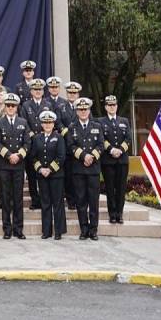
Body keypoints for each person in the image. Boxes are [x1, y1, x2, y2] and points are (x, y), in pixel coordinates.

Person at [0, 93, 31, 239]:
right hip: (4, 165)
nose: (10, 108)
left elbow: (27, 143)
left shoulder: (23, 122)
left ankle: (18, 229)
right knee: (6, 198)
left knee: (18, 198)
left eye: (13, 106)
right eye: (8, 105)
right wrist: (9, 155)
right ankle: (7, 229)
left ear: (16, 107)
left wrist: (18, 156)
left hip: (19, 165)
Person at [65, 97, 104, 240]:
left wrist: (91, 157)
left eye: (85, 109)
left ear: (89, 110)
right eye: (80, 109)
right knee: (81, 201)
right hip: (79, 169)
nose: (83, 111)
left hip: (93, 169)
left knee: (93, 201)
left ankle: (93, 230)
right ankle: (84, 229)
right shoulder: (72, 127)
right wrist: (83, 156)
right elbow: (70, 146)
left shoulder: (97, 126)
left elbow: (101, 145)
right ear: (76, 111)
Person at [31, 110, 67, 240]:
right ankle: (46, 231)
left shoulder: (59, 138)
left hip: (56, 176)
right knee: (45, 203)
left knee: (57, 204)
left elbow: (61, 157)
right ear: (41, 124)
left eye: (50, 122)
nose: (47, 125)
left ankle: (58, 231)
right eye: (45, 123)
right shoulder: (36, 138)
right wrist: (40, 169)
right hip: (42, 176)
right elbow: (33, 157)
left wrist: (49, 169)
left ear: (53, 124)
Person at [21, 78, 54, 210]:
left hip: (44, 142)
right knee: (31, 173)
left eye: (40, 89)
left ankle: (46, 199)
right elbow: (24, 123)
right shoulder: (25, 105)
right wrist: (33, 137)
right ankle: (35, 200)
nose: (38, 91)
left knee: (45, 171)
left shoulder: (48, 104)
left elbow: (51, 123)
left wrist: (41, 136)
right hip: (31, 144)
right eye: (35, 89)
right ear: (31, 91)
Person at [99, 95, 132, 224]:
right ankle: (112, 214)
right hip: (108, 160)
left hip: (122, 160)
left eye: (114, 105)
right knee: (110, 188)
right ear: (106, 107)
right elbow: (101, 139)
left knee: (121, 188)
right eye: (109, 105)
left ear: (117, 106)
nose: (112, 107)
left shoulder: (124, 121)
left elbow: (128, 138)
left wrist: (120, 150)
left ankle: (120, 213)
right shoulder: (100, 122)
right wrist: (111, 150)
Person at [61, 81, 82, 210]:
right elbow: (57, 122)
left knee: (78, 175)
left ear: (78, 94)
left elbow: (89, 122)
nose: (72, 95)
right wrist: (67, 133)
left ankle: (78, 199)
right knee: (68, 175)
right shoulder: (61, 107)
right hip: (66, 147)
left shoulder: (83, 107)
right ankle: (70, 200)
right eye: (70, 92)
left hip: (80, 146)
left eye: (74, 93)